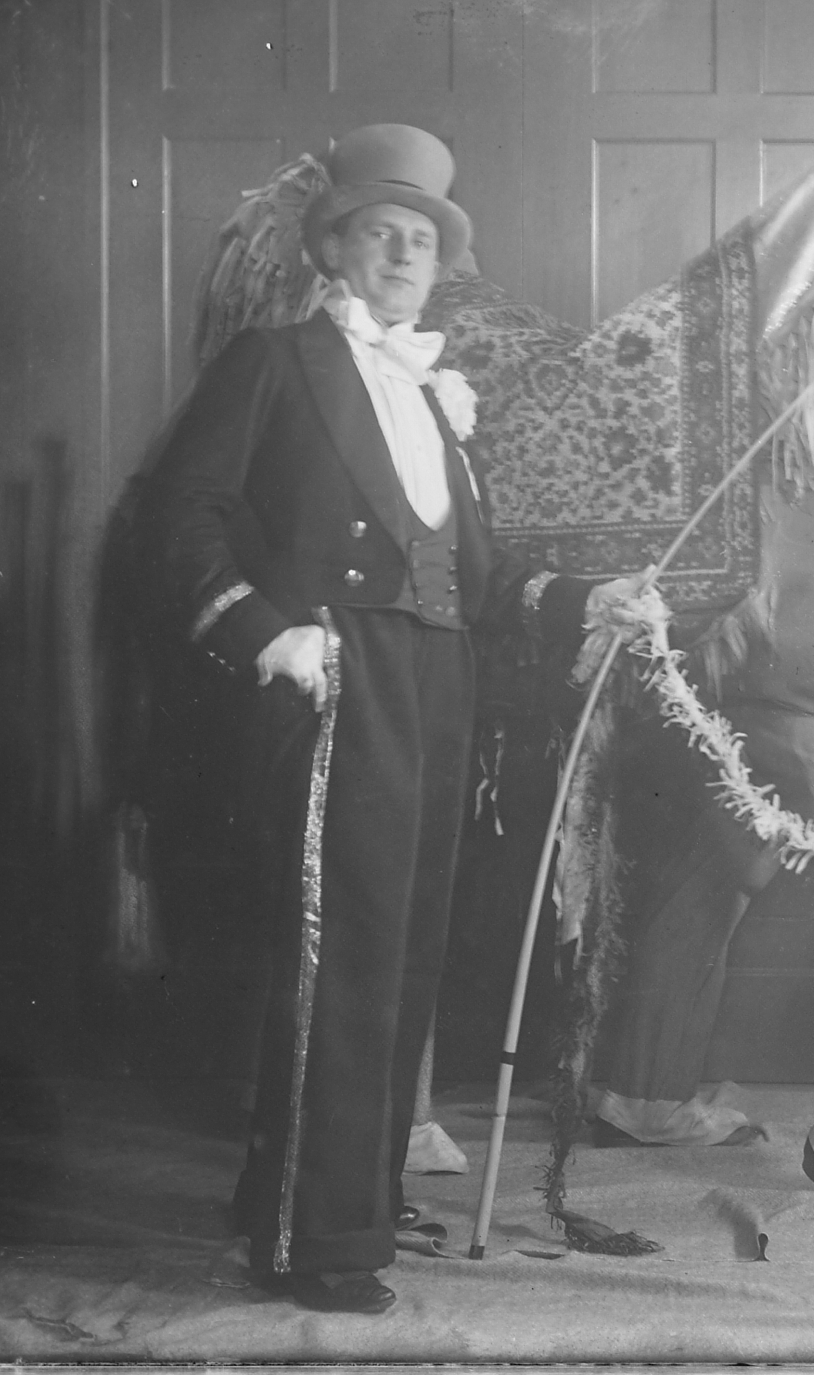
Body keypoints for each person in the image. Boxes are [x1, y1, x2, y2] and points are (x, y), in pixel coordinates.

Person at [151, 123, 637, 1315]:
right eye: (384, 233)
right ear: (335, 248)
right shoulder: (276, 362)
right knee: (347, 955)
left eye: (423, 239)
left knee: (403, 952)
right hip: (338, 674)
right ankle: (319, 1239)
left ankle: (336, 1200)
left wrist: (587, 597)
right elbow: (179, 513)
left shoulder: (433, 393)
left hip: (437, 682)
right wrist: (267, 633)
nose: (407, 254)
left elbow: (480, 577)